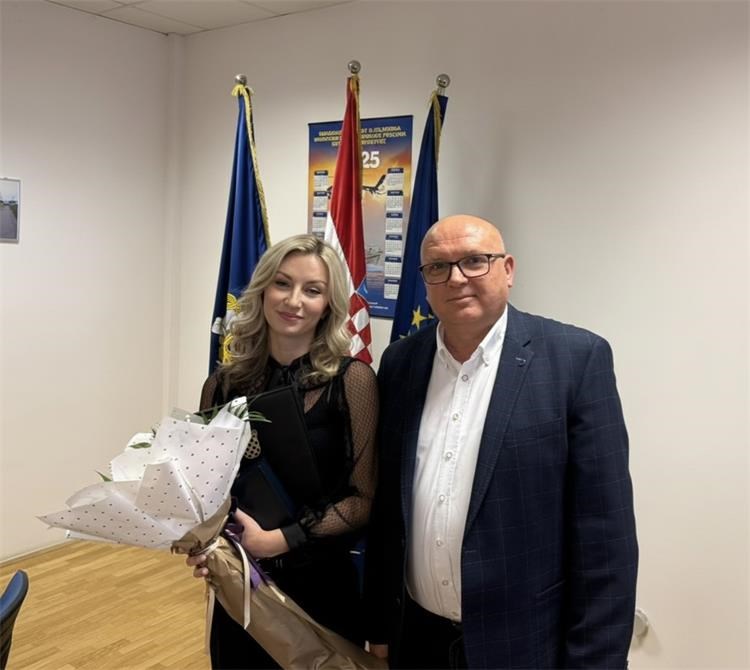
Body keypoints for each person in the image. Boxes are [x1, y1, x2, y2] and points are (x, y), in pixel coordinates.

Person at [364, 214, 638, 669]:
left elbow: (605, 537)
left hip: (524, 644)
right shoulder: (399, 363)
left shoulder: (575, 360)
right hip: (416, 638)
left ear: (507, 270)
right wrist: (378, 624)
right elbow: (389, 509)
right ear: (425, 282)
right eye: (438, 267)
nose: (456, 278)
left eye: (475, 261)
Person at [188, 234, 378, 669]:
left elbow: (365, 498)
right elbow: (206, 490)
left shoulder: (353, 381)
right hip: (244, 587)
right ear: (262, 290)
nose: (294, 301)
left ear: (328, 305)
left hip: (322, 589)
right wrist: (207, 545)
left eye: (312, 290)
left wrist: (281, 540)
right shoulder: (221, 385)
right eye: (282, 283)